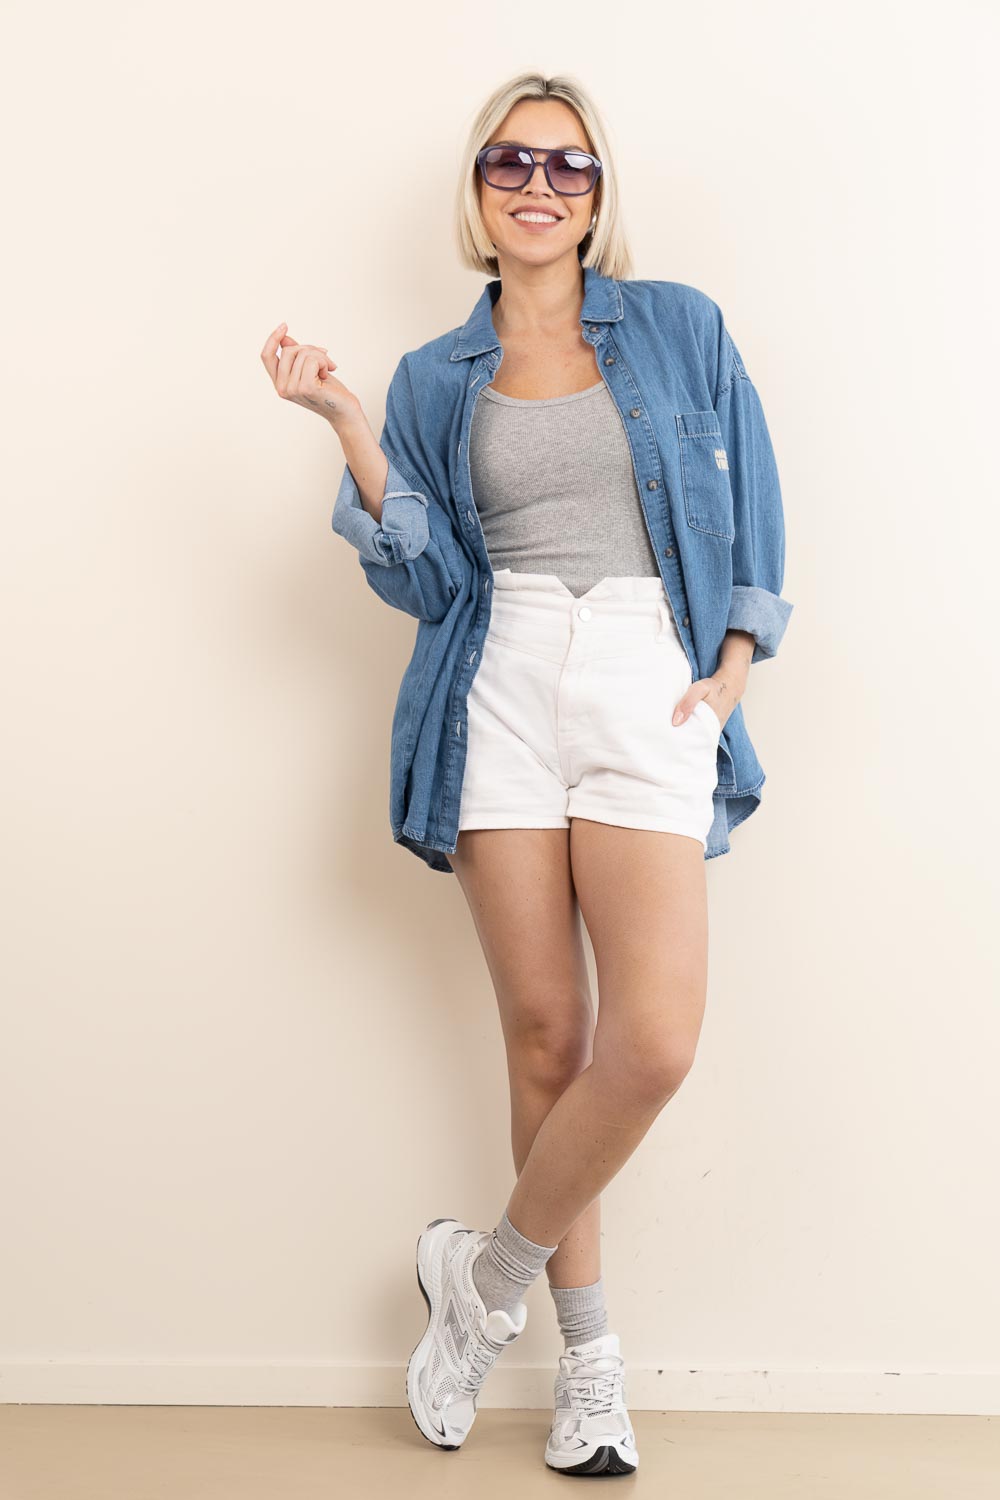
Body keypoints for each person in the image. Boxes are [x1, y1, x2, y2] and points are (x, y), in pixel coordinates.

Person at [261, 70, 792, 1479]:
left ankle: (481, 1278)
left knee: (653, 1043)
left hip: (642, 671)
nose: (539, 186)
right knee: (550, 1040)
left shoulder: (678, 327)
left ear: (599, 193)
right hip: (498, 681)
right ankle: (590, 1373)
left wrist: (736, 663)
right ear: (479, 189)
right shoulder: (436, 376)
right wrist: (351, 426)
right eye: (511, 162)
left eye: (568, 166)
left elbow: (753, 497)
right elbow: (433, 584)